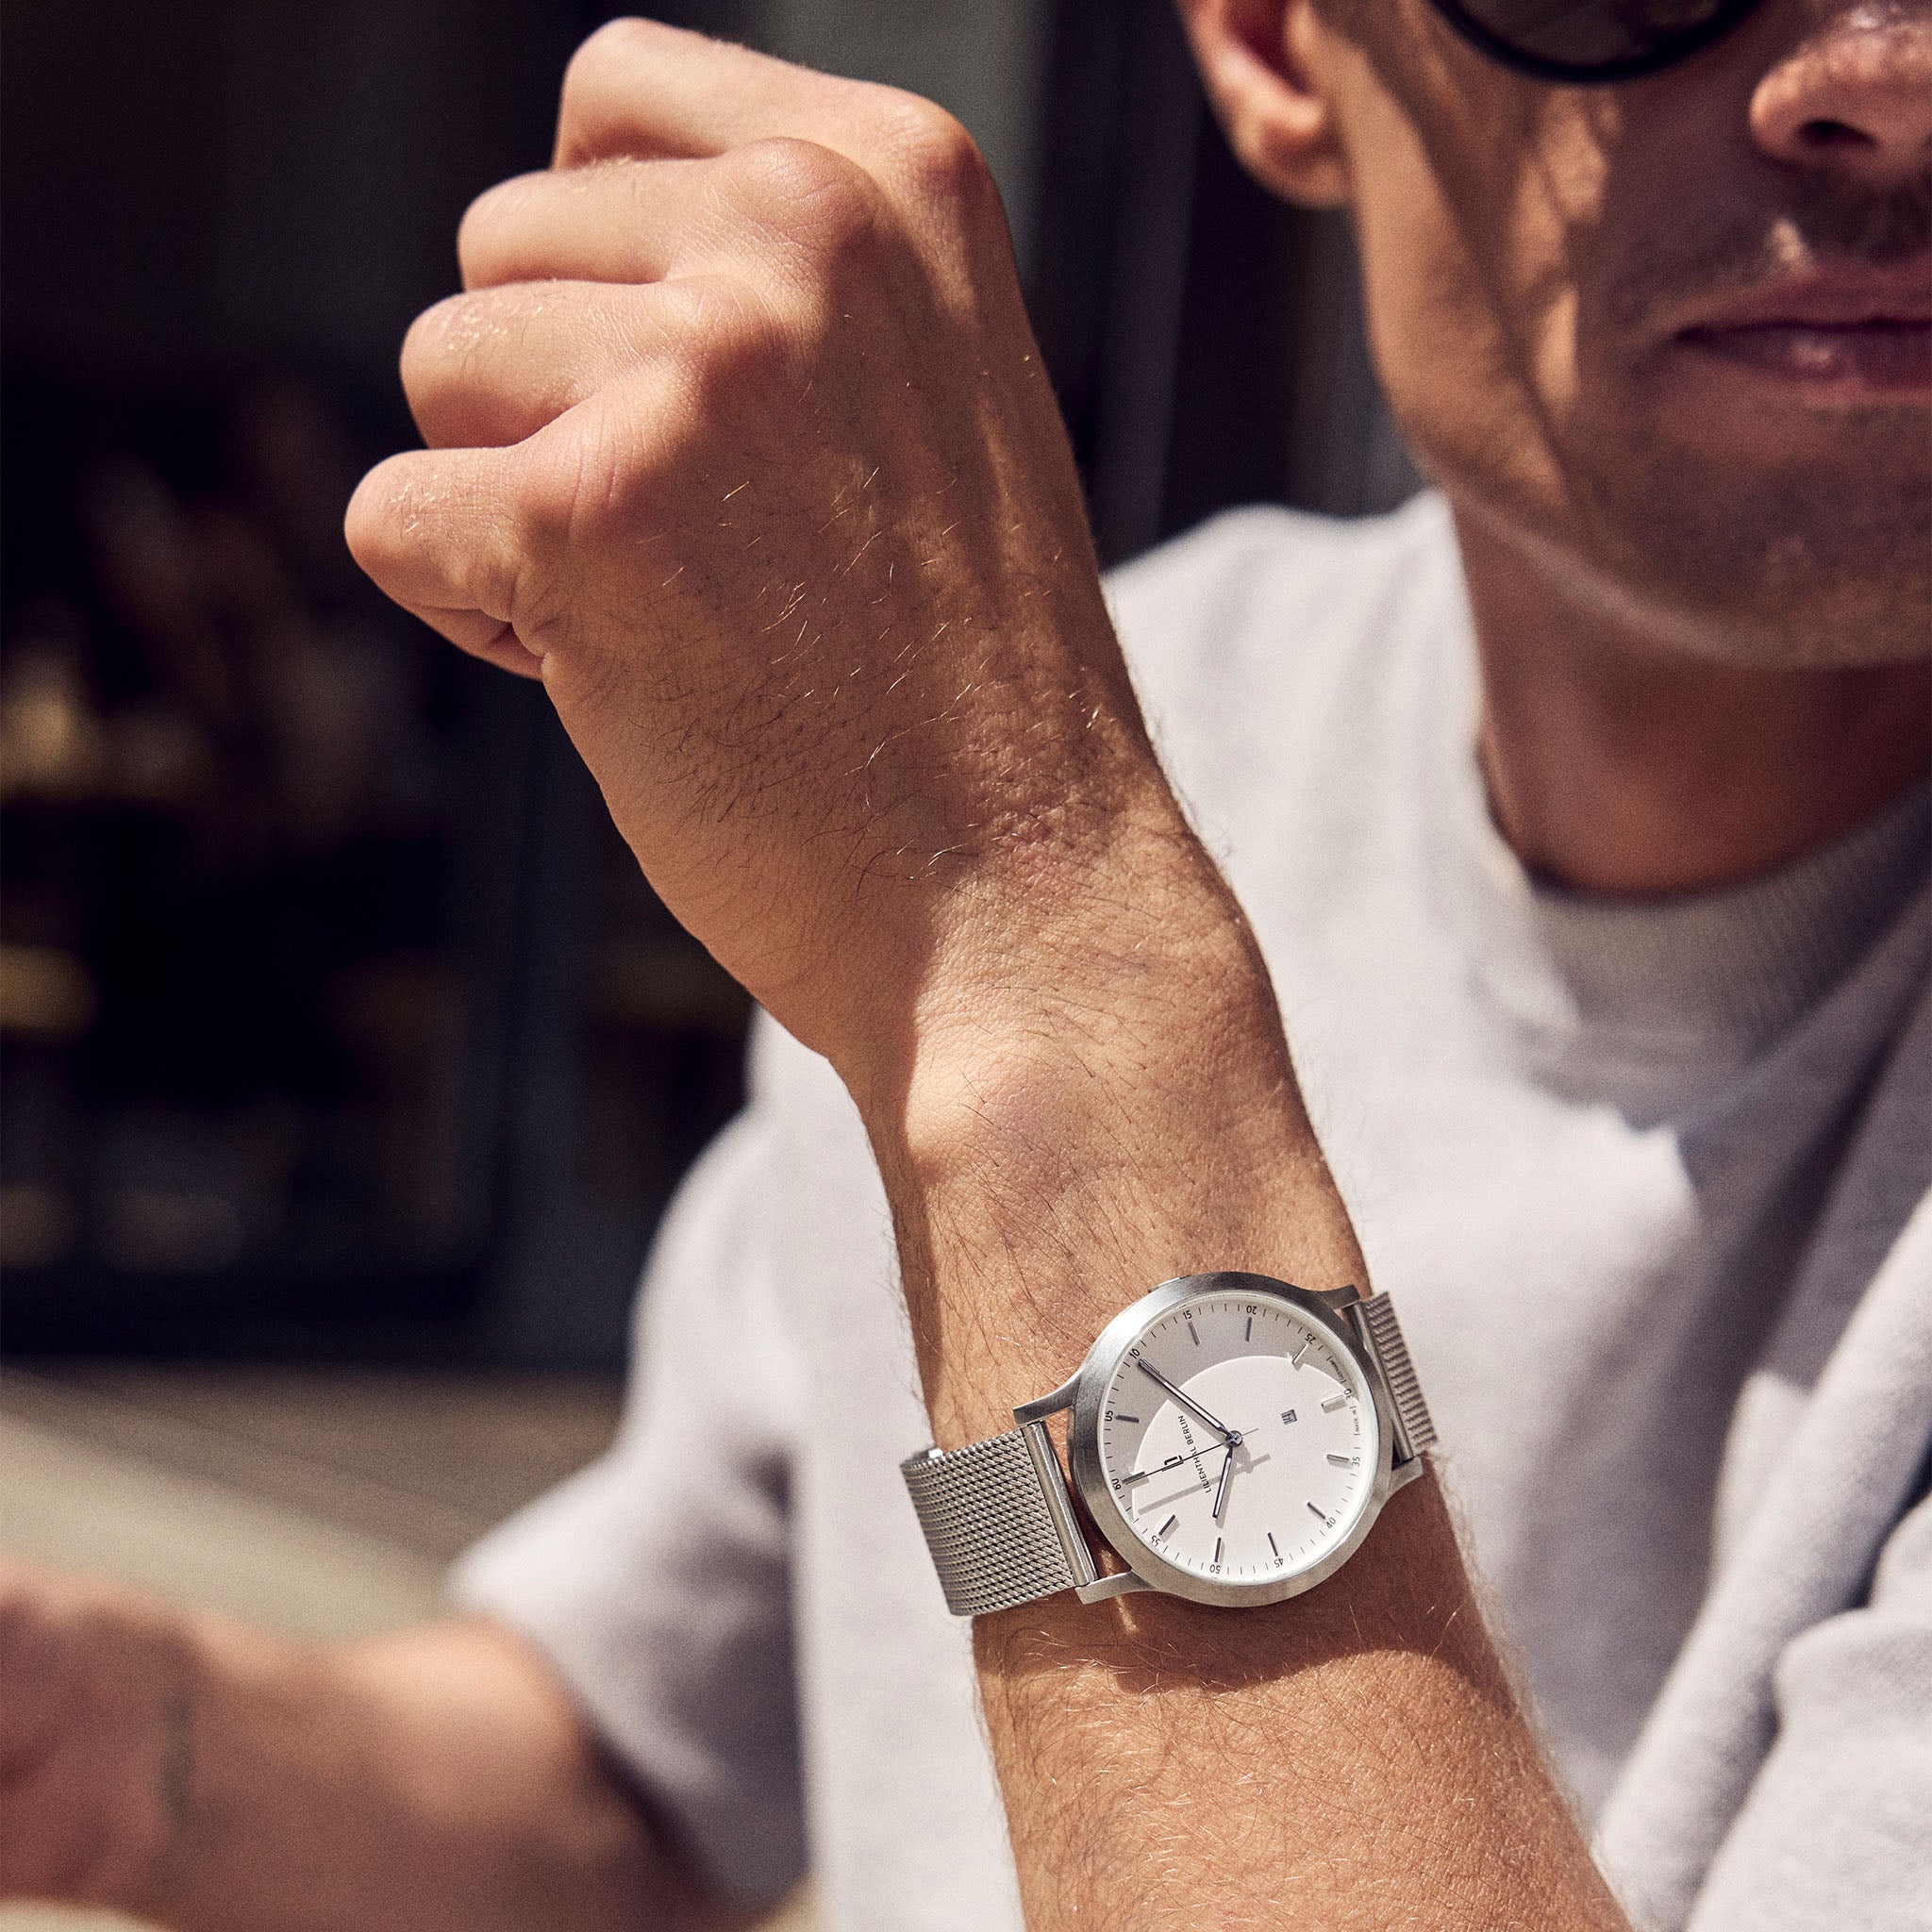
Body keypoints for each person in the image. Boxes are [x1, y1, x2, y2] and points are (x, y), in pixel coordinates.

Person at [4, 0, 1927, 1926]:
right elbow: (651, 1771)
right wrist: (123, 1745)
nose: (1885, 68)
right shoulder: (1138, 703)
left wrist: (1033, 951)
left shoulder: (1010, 802)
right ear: (1279, 44)